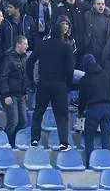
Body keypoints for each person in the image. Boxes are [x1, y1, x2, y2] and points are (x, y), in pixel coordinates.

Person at [28, 16, 75, 150]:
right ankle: (63, 142)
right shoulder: (66, 47)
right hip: (60, 85)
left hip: (43, 84)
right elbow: (70, 69)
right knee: (62, 115)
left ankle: (35, 139)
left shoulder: (42, 45)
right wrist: (68, 84)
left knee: (38, 112)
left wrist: (32, 80)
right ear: (61, 34)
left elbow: (30, 62)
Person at [78, 53, 110, 167]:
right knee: (105, 138)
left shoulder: (85, 79)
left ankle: (90, 163)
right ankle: (107, 163)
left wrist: (80, 113)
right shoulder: (106, 74)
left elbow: (82, 99)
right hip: (107, 109)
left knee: (89, 138)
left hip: (93, 109)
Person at [0, 36, 30, 147]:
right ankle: (5, 142)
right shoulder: (8, 58)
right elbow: (3, 77)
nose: (27, 46)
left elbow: (24, 77)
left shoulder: (24, 58)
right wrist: (6, 95)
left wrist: (25, 91)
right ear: (18, 44)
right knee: (13, 121)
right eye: (25, 44)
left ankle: (13, 142)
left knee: (23, 122)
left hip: (21, 95)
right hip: (10, 95)